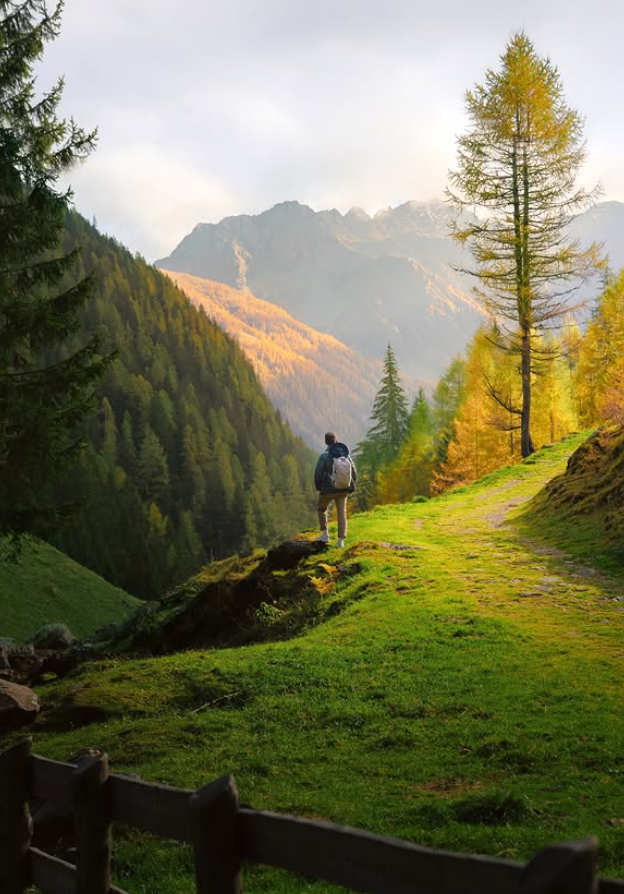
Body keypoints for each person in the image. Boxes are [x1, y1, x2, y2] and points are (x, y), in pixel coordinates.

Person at [314, 432, 357, 548]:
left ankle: (325, 535)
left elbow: (318, 473)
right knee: (342, 513)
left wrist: (319, 487)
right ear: (336, 440)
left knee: (321, 509)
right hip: (344, 488)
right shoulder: (345, 455)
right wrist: (350, 485)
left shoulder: (324, 456)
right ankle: (340, 541)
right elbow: (353, 472)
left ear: (325, 442)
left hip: (328, 489)